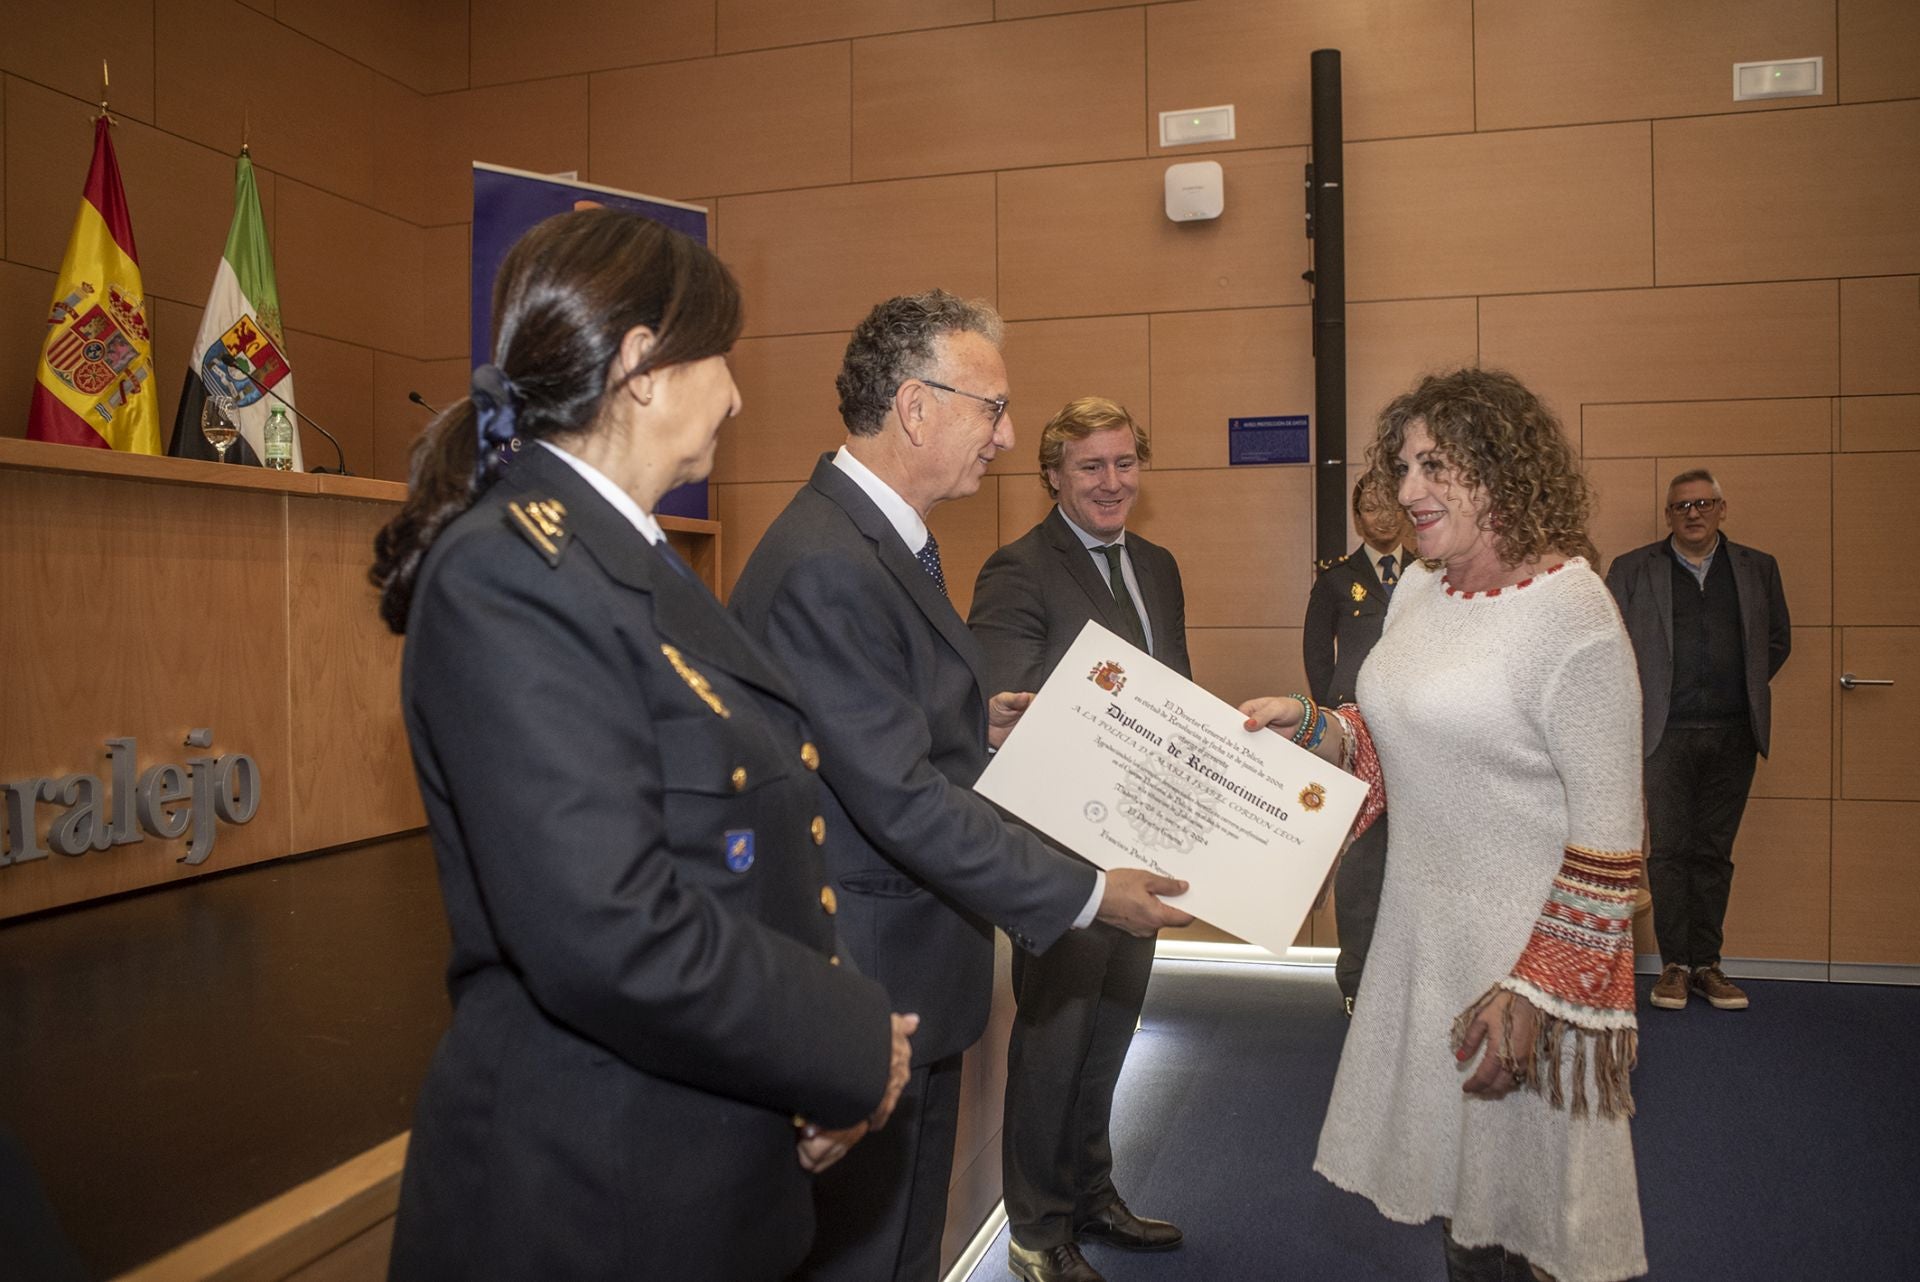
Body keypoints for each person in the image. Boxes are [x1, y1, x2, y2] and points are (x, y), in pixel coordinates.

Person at [369, 209, 914, 1282]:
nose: (739, 393)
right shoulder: (512, 574)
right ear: (643, 366)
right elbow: (608, 931)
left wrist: (812, 1070)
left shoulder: (626, 561)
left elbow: (745, 855)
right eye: (722, 357)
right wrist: (847, 1041)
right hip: (585, 1201)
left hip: (700, 1166)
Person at [729, 291, 1192, 1282]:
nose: (1007, 435)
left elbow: (877, 725)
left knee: (903, 1251)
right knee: (868, 1254)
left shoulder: (880, 540)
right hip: (865, 981)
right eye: (993, 407)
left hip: (909, 976)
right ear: (917, 406)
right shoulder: (831, 562)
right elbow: (898, 796)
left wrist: (964, 718)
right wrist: (1084, 891)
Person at [1243, 369, 1646, 1282]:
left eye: (1437, 466)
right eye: (1404, 466)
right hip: (1424, 943)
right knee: (1468, 1216)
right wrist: (1316, 727)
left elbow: (1611, 846)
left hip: (1523, 965)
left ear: (1505, 471)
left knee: (1537, 1219)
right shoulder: (1423, 590)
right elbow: (1398, 741)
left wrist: (1535, 995)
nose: (1408, 491)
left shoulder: (1575, 615)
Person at [968, 397, 1189, 1282]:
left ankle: (1093, 1195)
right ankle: (1035, 1227)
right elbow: (1007, 704)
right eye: (1091, 466)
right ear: (1053, 475)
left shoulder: (1161, 566)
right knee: (1054, 1042)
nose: (1112, 482)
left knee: (1109, 1034)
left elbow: (1175, 693)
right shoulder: (1016, 569)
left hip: (1144, 853)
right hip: (1062, 860)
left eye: (1125, 462)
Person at [1605, 469, 1790, 1012]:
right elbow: (1608, 647)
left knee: (1713, 852)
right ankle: (1673, 967)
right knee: (1668, 852)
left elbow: (1775, 642)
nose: (1693, 513)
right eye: (1682, 506)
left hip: (1734, 734)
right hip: (1664, 734)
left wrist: (1739, 687)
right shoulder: (1634, 569)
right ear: (1669, 515)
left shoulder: (1758, 569)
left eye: (1703, 503)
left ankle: (1708, 963)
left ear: (1721, 509)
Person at [1302, 475, 1413, 1013]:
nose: (1383, 515)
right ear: (1356, 516)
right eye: (1370, 507)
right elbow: (1318, 656)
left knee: (1417, 860)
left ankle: (1413, 977)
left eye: (1390, 503)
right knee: (1363, 865)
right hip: (1358, 733)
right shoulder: (1337, 579)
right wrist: (1332, 723)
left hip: (1420, 735)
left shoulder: (1430, 573)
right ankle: (1357, 979)